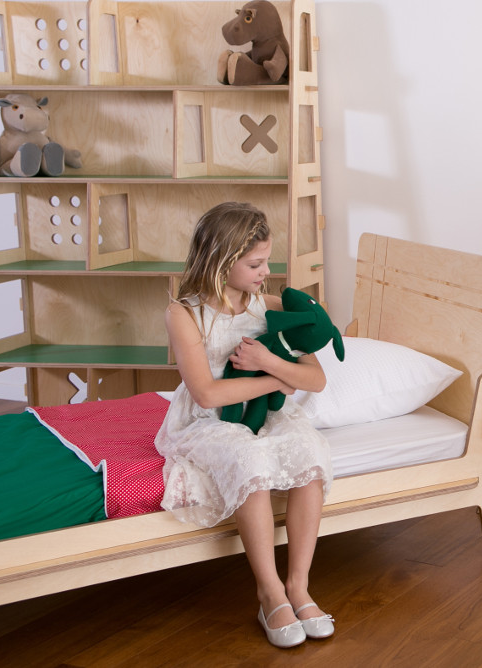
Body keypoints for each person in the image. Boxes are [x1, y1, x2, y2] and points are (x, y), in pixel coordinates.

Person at [155, 201, 335, 648]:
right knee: (248, 459)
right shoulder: (185, 314)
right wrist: (277, 378)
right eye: (255, 264)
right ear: (221, 261)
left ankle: (298, 586)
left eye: (266, 261)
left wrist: (268, 362)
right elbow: (207, 394)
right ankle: (269, 592)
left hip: (266, 412)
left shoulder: (269, 306)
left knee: (309, 453)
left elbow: (315, 379)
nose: (265, 271)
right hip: (208, 420)